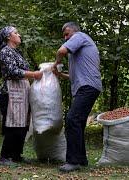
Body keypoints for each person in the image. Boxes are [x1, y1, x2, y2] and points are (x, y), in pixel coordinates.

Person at [52, 22, 102, 172]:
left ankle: (73, 161)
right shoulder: (78, 52)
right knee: (78, 123)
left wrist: (56, 64)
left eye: (67, 34)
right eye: (64, 36)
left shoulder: (80, 36)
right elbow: (75, 77)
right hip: (88, 86)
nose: (66, 38)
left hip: (87, 87)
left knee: (72, 119)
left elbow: (61, 51)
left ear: (74, 31)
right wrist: (61, 75)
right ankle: (81, 160)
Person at [0, 26, 43, 166]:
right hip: (11, 92)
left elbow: (22, 70)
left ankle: (16, 155)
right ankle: (4, 157)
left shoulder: (16, 53)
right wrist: (33, 74)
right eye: (15, 32)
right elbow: (12, 71)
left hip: (21, 91)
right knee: (12, 124)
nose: (19, 34)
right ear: (9, 37)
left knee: (22, 124)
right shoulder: (5, 52)